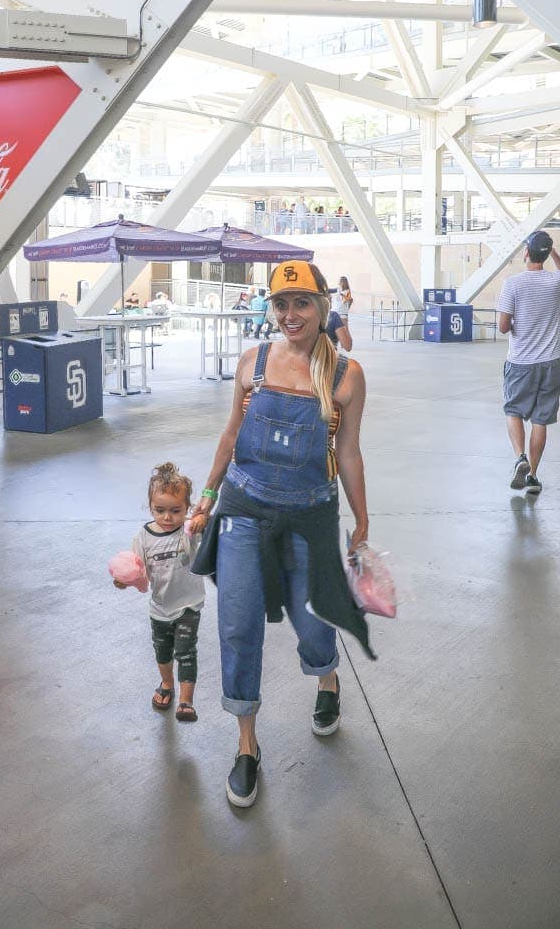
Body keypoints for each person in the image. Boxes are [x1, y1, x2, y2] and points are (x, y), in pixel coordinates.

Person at [190, 260, 374, 808]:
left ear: (322, 306)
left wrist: (362, 518)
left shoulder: (346, 375)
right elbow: (230, 435)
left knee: (314, 624)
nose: (291, 315)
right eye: (281, 305)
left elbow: (348, 451)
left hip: (311, 517)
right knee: (238, 625)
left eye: (302, 303)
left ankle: (327, 679)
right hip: (244, 511)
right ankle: (247, 744)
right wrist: (205, 499)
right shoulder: (254, 362)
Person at [113, 462, 204, 723]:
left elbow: (205, 528)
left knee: (186, 651)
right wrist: (125, 581)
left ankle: (186, 701)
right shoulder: (143, 537)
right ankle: (167, 684)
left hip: (188, 605)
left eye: (176, 511)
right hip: (160, 608)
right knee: (163, 652)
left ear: (187, 508)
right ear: (150, 507)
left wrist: (200, 519)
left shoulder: (189, 531)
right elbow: (138, 571)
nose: (167, 517)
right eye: (160, 510)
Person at [497, 229, 560, 495]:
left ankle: (520, 457)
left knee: (513, 411)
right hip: (552, 363)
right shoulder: (556, 282)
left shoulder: (513, 284)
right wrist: (552, 250)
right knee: (540, 420)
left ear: (526, 252)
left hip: (521, 361)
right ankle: (532, 476)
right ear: (546, 256)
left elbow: (502, 327)